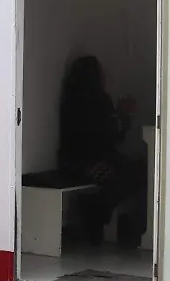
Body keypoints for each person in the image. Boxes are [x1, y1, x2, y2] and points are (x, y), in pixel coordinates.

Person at [58, 55, 145, 246]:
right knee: (138, 171)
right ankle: (95, 210)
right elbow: (110, 136)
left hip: (79, 158)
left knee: (132, 169)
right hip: (87, 161)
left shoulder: (73, 99)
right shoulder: (97, 100)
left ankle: (96, 210)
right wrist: (123, 115)